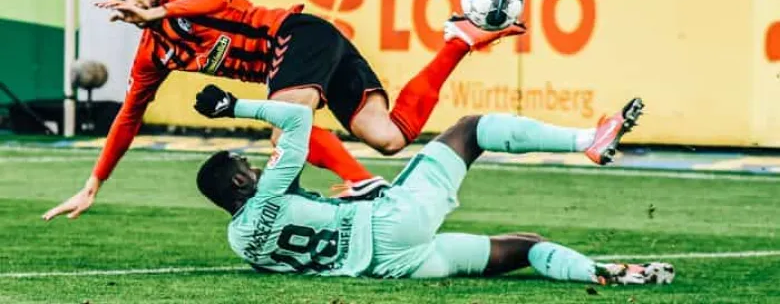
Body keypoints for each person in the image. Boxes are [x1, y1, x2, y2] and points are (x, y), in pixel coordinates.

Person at [41, 0, 525, 221]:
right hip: (310, 58)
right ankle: (459, 41)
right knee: (390, 137)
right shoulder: (154, 53)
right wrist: (94, 183)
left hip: (297, 36)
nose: (132, 0)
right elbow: (128, 117)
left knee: (286, 129)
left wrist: (160, 10)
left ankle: (365, 187)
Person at [194, 85, 675, 284]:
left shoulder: (239, 241)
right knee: (470, 129)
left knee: (526, 247)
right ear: (239, 181)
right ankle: (588, 139)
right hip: (391, 225)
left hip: (391, 267)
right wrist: (233, 106)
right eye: (247, 166)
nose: (256, 168)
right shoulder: (271, 191)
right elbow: (298, 118)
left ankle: (603, 272)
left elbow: (285, 230)